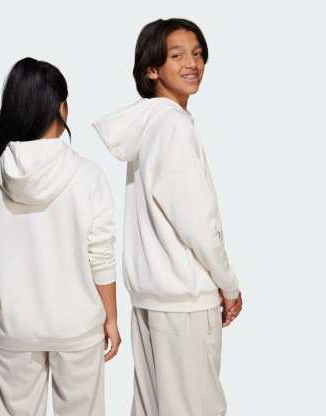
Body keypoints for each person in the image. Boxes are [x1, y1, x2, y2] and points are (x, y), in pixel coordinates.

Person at [93, 18, 243, 415]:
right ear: (151, 69)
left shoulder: (147, 126)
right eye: (177, 56)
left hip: (151, 297)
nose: (192, 64)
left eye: (198, 54)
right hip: (184, 301)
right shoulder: (172, 125)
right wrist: (228, 284)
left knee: (152, 407)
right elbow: (197, 222)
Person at [0, 57, 121, 416]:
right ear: (61, 107)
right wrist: (111, 318)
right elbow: (100, 254)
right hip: (78, 327)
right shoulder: (89, 175)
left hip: (15, 329)